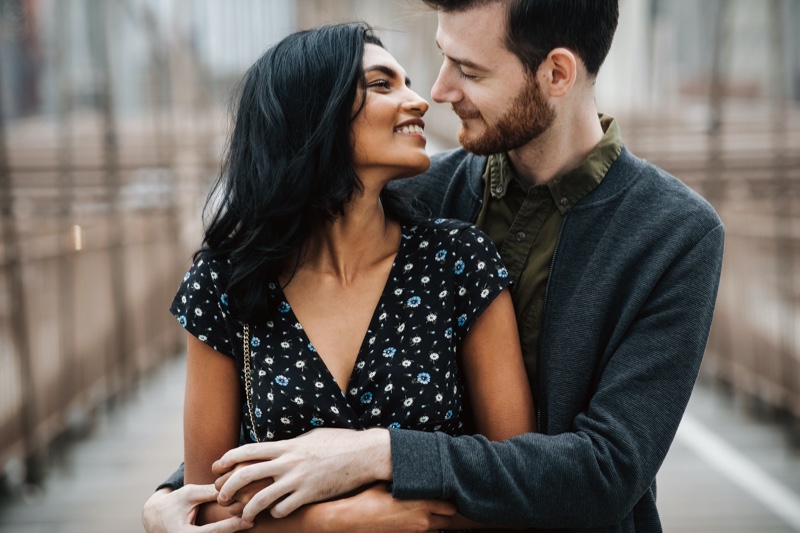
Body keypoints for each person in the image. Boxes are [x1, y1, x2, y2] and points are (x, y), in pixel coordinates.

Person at [145, 1, 725, 531]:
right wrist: (174, 497)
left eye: (470, 72)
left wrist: (380, 452)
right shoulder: (407, 195)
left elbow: (608, 471)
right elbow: (276, 406)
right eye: (444, 60)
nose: (439, 92)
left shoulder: (675, 234)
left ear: (556, 74)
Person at [156, 20, 537, 532]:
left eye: (406, 82)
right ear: (314, 113)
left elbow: (514, 483)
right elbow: (203, 505)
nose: (421, 100)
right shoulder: (226, 279)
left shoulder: (458, 262)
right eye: (383, 84)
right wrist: (345, 519)